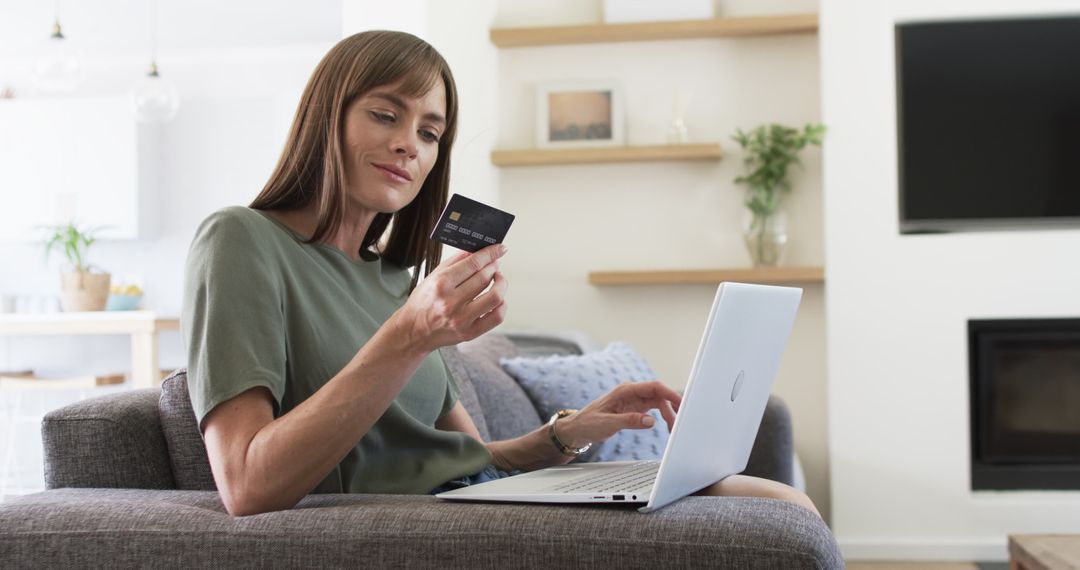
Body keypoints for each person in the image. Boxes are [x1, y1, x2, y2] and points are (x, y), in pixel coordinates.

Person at [181, 30, 819, 518]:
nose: (411, 144)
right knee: (770, 509)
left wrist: (567, 433)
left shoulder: (393, 278)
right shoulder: (241, 241)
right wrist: (410, 333)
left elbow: (473, 460)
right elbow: (246, 483)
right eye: (385, 115)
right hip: (410, 524)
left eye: (430, 133)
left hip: (478, 501)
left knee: (776, 501)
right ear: (327, 114)